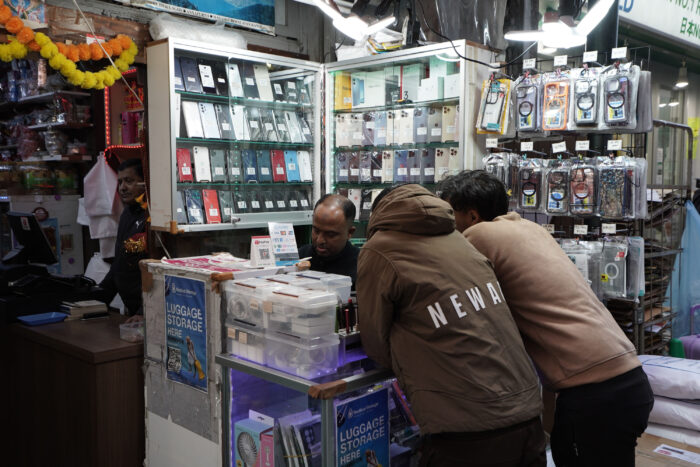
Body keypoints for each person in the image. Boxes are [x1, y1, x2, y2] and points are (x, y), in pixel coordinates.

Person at [439, 170, 653, 467]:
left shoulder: (477, 236)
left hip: (595, 394)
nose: (448, 224)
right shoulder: (529, 228)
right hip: (627, 381)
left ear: (472, 215)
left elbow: (448, 289)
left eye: (450, 214)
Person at [357, 184, 545, 467]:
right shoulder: (458, 238)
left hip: (466, 429)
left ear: (378, 216)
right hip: (527, 415)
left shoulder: (379, 248)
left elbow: (375, 344)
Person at [100, 158, 148, 321]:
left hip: (149, 309)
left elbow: (158, 270)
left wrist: (143, 311)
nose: (122, 188)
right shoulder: (127, 213)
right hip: (133, 309)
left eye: (129, 181)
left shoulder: (154, 215)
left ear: (145, 182)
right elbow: (120, 263)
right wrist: (96, 299)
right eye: (120, 182)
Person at [298, 194, 359, 286]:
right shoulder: (301, 256)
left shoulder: (361, 266)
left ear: (350, 232)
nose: (319, 240)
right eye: (316, 231)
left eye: (330, 235)